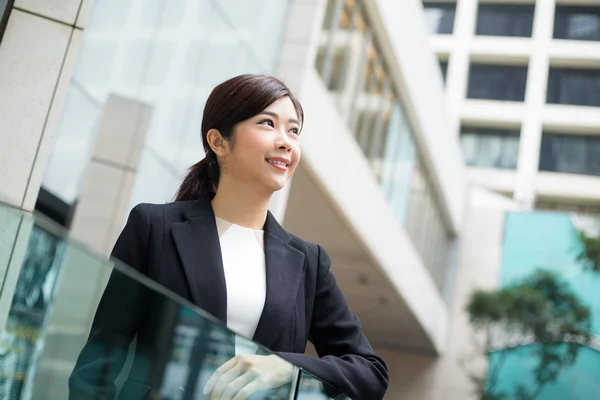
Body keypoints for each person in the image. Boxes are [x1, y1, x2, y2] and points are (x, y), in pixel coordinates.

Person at [69, 74, 388, 400]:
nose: (285, 141)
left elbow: (370, 371)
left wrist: (287, 366)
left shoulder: (308, 262)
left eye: (293, 130)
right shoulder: (154, 227)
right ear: (219, 142)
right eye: (268, 123)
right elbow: (100, 360)